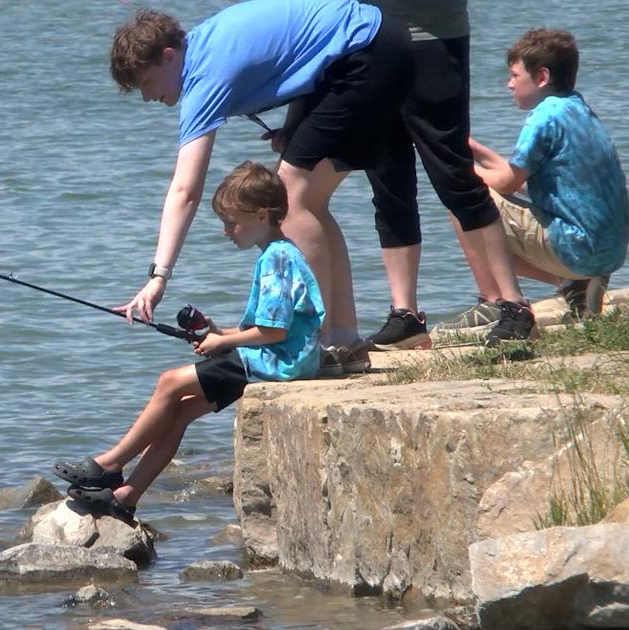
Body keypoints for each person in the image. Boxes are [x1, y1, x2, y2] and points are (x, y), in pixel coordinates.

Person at [110, 0, 412, 375]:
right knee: (308, 200)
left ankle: (319, 344)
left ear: (169, 57)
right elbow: (302, 50)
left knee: (290, 197)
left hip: (367, 52)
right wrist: (296, 126)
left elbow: (186, 190)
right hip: (376, 41)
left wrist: (159, 276)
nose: (147, 97)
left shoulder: (205, 75)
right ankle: (344, 339)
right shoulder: (205, 44)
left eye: (146, 83)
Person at [53, 162, 324, 520]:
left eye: (232, 222)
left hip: (277, 361)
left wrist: (221, 345)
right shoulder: (282, 252)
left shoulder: (275, 259)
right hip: (283, 357)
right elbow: (274, 326)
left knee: (169, 382)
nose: (227, 231)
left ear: (261, 215)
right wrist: (221, 333)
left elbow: (275, 333)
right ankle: (125, 497)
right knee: (178, 412)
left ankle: (109, 464)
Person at [360, 1, 535, 350]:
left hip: (433, 38)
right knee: (386, 178)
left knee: (454, 176)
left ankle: (514, 304)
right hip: (369, 43)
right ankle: (405, 315)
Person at [469, 28, 628, 324]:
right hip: (610, 252)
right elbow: (518, 177)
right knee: (480, 191)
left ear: (541, 77)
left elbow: (506, 183)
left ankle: (496, 303)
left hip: (578, 251)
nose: (509, 85)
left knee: (463, 198)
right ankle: (574, 286)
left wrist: (456, 167)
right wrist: (470, 149)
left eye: (515, 76)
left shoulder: (545, 116)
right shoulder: (578, 109)